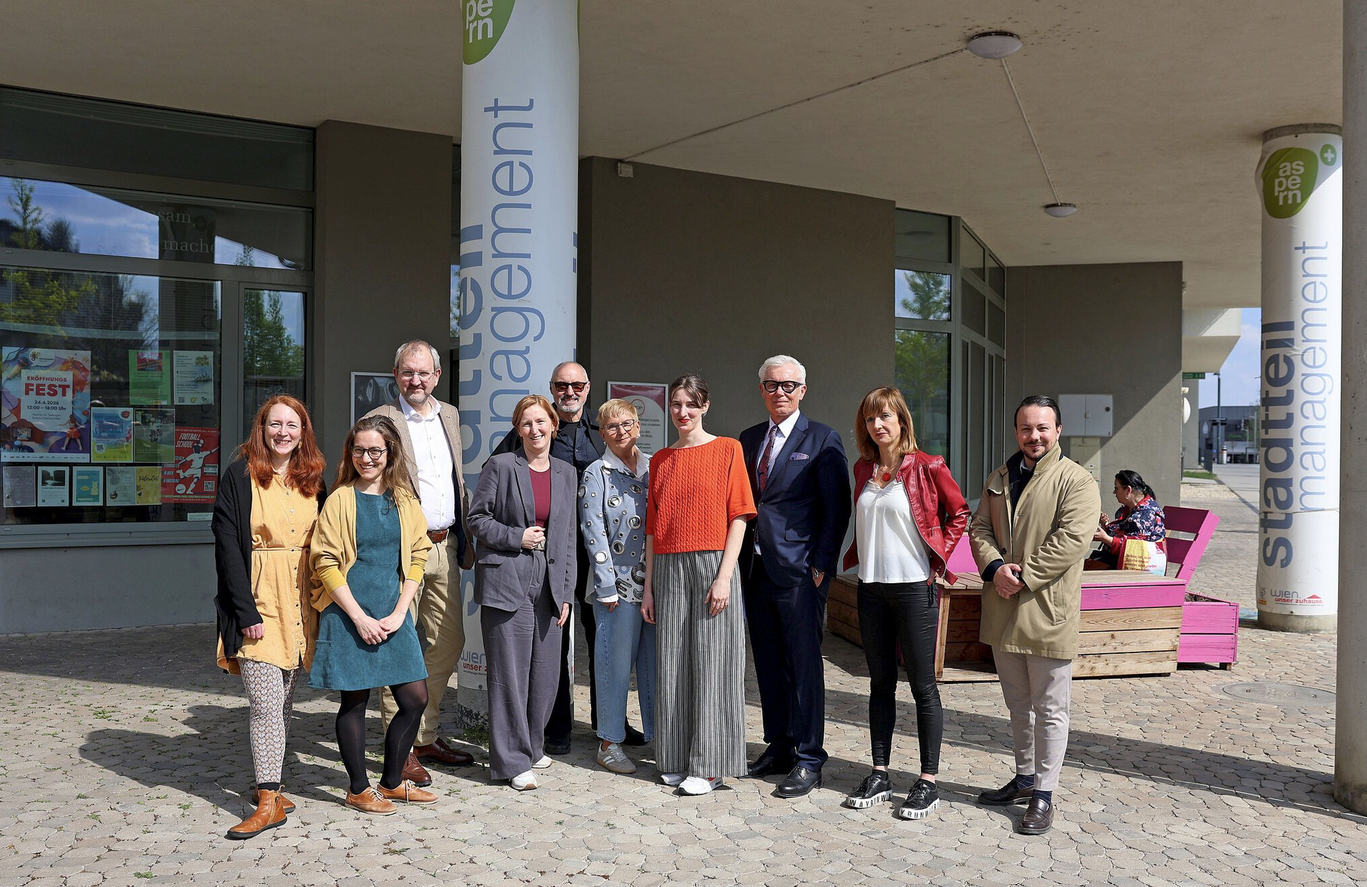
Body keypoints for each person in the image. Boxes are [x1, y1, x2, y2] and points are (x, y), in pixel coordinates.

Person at [490, 361, 645, 753]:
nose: (569, 392)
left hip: (601, 558)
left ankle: (609, 723)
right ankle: (555, 726)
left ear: (588, 388)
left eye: (577, 385)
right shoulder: (537, 429)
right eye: (562, 385)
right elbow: (500, 476)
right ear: (552, 388)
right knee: (551, 641)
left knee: (604, 641)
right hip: (549, 556)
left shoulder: (604, 430)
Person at [969, 395, 1101, 835]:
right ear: (1016, 432)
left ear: (1058, 430)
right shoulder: (1000, 477)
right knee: (1017, 705)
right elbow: (979, 528)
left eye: (1043, 427)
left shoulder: (1077, 480)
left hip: (1046, 610)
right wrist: (994, 568)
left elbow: (1072, 540)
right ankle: (1025, 776)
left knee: (1050, 708)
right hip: (1004, 607)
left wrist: (1022, 577)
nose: (1034, 436)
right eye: (1026, 428)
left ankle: (1044, 793)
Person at [839, 387, 970, 819]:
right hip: (871, 588)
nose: (878, 424)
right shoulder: (863, 468)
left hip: (915, 589)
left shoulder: (928, 465)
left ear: (902, 421)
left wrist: (938, 560)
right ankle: (879, 773)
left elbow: (959, 513)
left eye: (886, 416)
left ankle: (928, 781)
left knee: (922, 686)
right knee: (880, 684)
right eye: (871, 418)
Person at [309, 416, 438, 815]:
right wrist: (359, 617)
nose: (366, 458)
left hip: (392, 611)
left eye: (375, 450)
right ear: (350, 453)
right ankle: (358, 789)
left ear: (390, 453)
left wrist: (400, 611)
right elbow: (325, 561)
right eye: (359, 450)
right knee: (355, 700)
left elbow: (418, 555)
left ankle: (392, 782)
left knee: (415, 698)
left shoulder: (404, 499)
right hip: (348, 610)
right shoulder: (340, 499)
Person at [213, 395, 327, 839]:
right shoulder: (239, 476)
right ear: (261, 429)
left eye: (292, 425)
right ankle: (267, 801)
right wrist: (245, 610)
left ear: (303, 432)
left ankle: (273, 785)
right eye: (274, 424)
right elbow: (227, 547)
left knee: (283, 702)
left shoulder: (314, 479)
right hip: (259, 599)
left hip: (301, 599)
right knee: (264, 704)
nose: (283, 432)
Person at [738, 355, 851, 799]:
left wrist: (821, 564)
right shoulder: (749, 438)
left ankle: (809, 757)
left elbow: (836, 507)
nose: (779, 392)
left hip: (802, 571)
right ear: (761, 390)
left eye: (788, 385)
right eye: (771, 385)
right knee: (768, 662)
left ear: (803, 390)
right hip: (756, 568)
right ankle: (780, 746)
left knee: (803, 665)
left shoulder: (822, 438)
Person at [365, 340, 475, 788]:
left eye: (424, 372)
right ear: (396, 375)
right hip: (401, 549)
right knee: (399, 644)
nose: (416, 380)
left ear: (437, 376)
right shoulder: (380, 420)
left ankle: (424, 734)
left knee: (449, 641)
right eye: (408, 372)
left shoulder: (449, 415)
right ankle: (403, 747)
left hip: (445, 544)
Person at [643, 374, 757, 795]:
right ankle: (675, 758)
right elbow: (652, 529)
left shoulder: (728, 449)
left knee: (714, 664)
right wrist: (649, 588)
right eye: (676, 404)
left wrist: (724, 577)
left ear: (705, 406)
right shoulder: (660, 460)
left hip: (714, 564)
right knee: (672, 663)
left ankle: (709, 766)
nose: (683, 412)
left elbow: (740, 516)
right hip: (668, 565)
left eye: (691, 404)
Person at [469, 395, 576, 790]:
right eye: (526, 423)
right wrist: (517, 537)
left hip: (550, 585)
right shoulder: (500, 466)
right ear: (518, 429)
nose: (535, 430)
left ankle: (531, 746)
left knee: (546, 676)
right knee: (509, 677)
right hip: (506, 580)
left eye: (541, 422)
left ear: (554, 426)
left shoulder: (566, 472)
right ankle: (511, 762)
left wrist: (566, 592)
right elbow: (476, 519)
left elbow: (567, 537)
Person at [579, 399, 655, 775]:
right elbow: (593, 531)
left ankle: (660, 737)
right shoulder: (597, 473)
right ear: (602, 433)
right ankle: (609, 744)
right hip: (616, 586)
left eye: (627, 423)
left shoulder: (655, 467)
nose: (621, 431)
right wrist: (606, 585)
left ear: (638, 426)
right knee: (614, 665)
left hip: (656, 585)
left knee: (654, 665)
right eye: (612, 426)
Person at [1085, 469, 1166, 569]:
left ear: (1128, 490)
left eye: (1116, 488)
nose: (1114, 492)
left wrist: (1105, 538)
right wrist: (1105, 526)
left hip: (1136, 567)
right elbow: (1125, 534)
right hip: (1121, 562)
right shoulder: (1131, 509)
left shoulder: (1145, 515)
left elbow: (1134, 549)